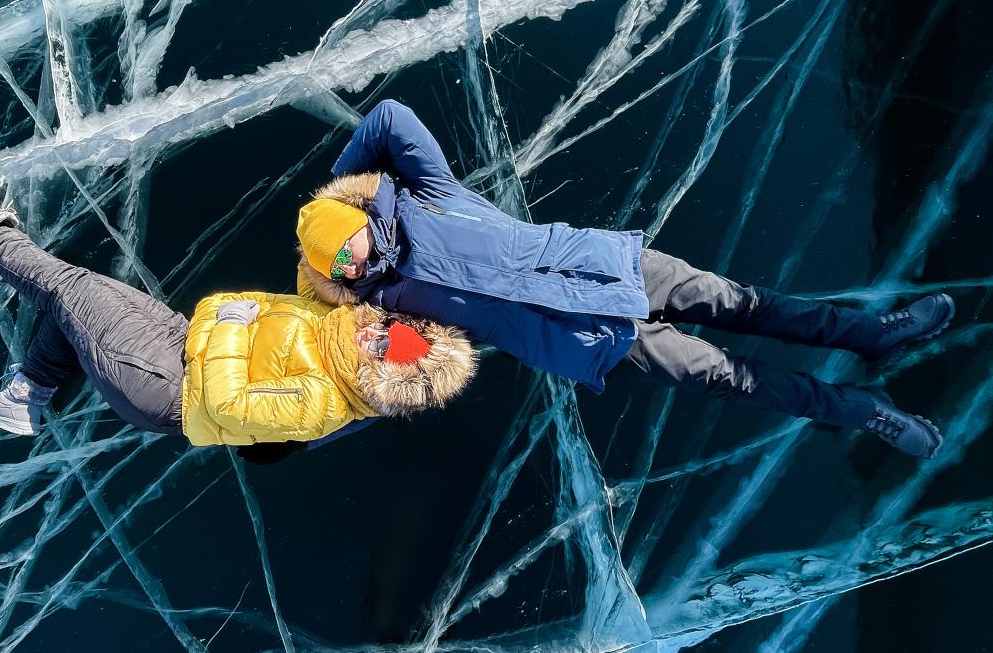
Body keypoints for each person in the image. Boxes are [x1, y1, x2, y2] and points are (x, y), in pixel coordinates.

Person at [293, 100, 955, 458]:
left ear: (357, 212)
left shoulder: (424, 194)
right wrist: (317, 428)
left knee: (746, 304)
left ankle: (873, 335)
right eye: (343, 270)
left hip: (615, 268)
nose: (358, 264)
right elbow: (379, 382)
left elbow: (388, 117)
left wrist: (339, 178)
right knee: (727, 376)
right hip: (595, 339)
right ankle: (866, 413)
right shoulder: (385, 306)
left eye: (351, 247)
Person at [0, 158, 476, 446]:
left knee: (67, 289)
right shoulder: (339, 326)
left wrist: (233, 327)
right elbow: (313, 280)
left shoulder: (324, 403)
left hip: (168, 385)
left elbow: (227, 406)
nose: (372, 338)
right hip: (180, 338)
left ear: (383, 373)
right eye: (386, 331)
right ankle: (27, 394)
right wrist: (339, 222)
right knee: (78, 301)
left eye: (381, 350)